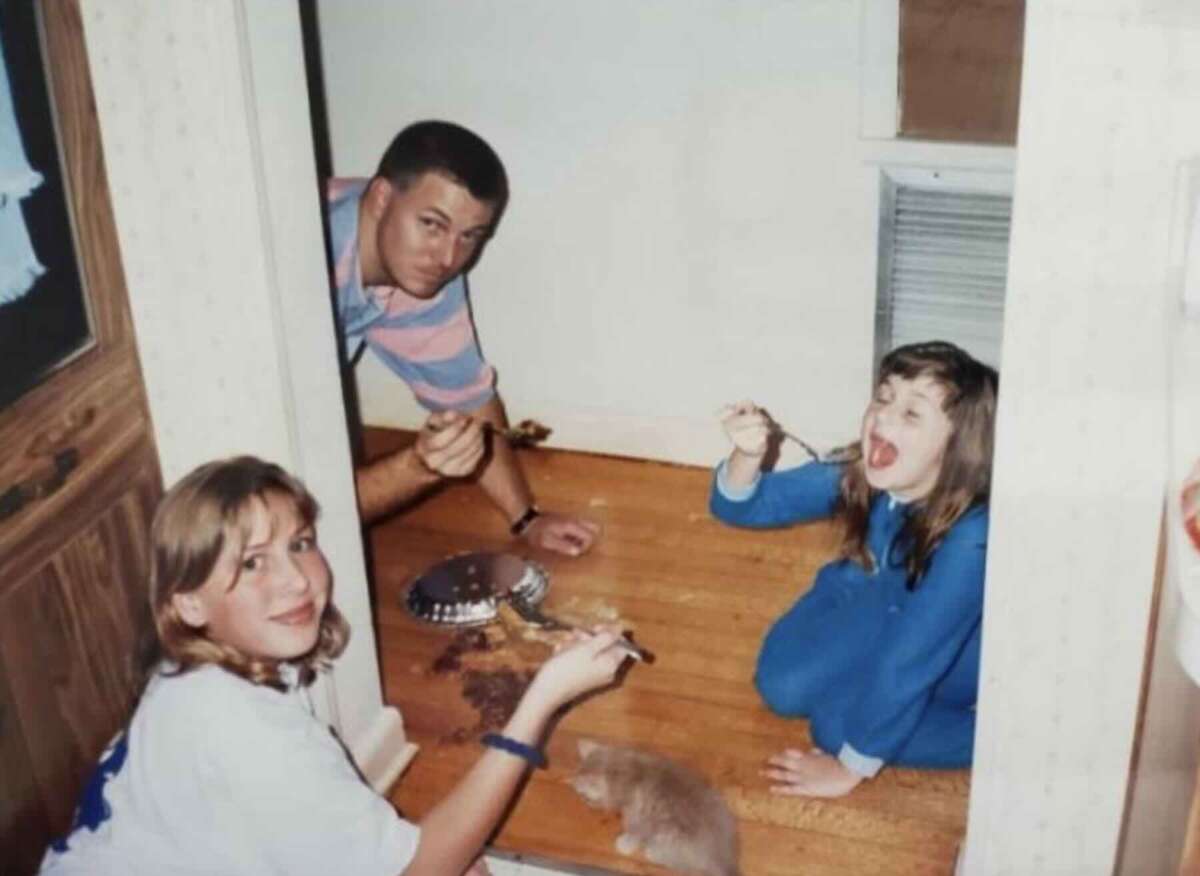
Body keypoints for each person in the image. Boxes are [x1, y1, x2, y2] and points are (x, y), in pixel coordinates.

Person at [40, 456, 629, 875]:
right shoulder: (246, 735)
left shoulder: (203, 672)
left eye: (299, 544)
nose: (297, 579)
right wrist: (541, 701)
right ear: (188, 601)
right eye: (252, 564)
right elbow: (423, 868)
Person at [710, 341, 998, 798]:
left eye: (911, 413)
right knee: (782, 687)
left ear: (958, 446)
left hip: (957, 648)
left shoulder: (974, 537)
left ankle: (999, 738)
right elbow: (746, 507)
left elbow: (914, 657)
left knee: (836, 727)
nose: (882, 417)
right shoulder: (862, 467)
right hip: (876, 600)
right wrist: (746, 456)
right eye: (883, 397)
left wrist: (851, 768)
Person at [325, 120, 598, 556]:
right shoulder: (296, 261)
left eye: (469, 237)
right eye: (432, 224)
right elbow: (283, 515)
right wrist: (417, 467)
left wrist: (526, 518)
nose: (449, 258)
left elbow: (467, 399)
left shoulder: (422, 273)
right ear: (379, 197)